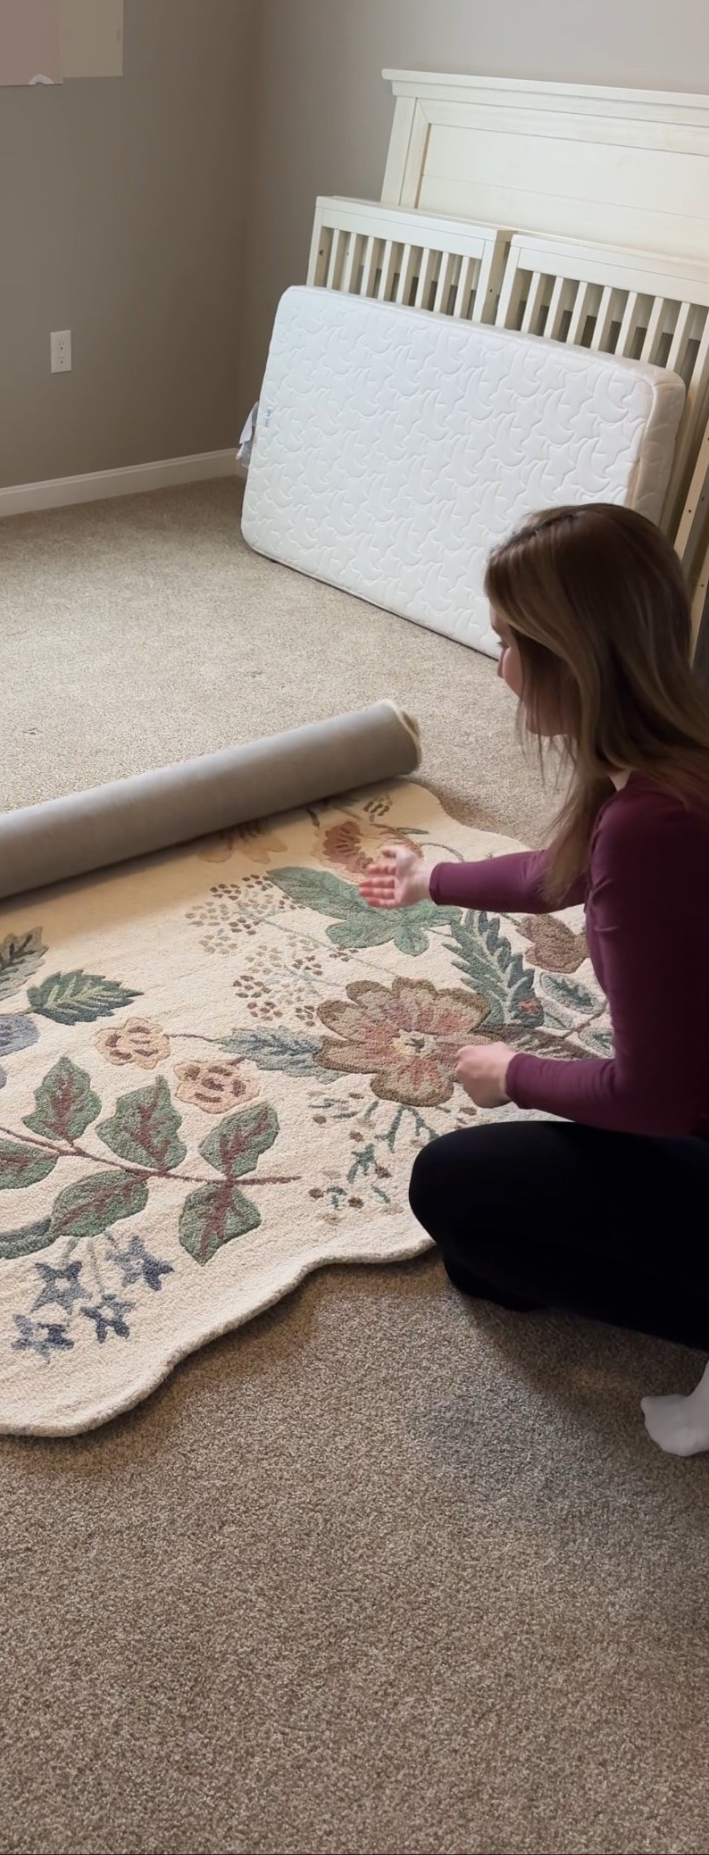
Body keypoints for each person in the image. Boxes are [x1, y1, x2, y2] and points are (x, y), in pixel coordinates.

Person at [360, 503, 709, 1456]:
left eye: (511, 641)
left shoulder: (653, 829)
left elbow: (654, 1097)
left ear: (572, 660)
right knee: (494, 1253)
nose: (499, 665)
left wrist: (506, 1071)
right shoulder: (672, 762)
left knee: (459, 1200)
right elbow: (566, 871)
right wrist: (434, 880)